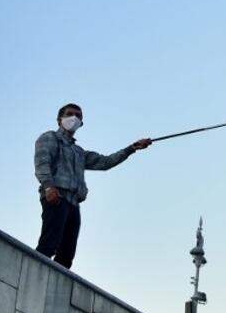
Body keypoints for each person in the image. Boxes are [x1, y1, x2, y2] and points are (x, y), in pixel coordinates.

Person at [34, 103, 152, 269]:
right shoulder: (50, 138)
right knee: (49, 244)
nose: (73, 118)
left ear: (81, 122)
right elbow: (42, 163)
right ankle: (35, 275)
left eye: (78, 115)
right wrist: (48, 187)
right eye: (69, 114)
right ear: (59, 119)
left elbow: (105, 162)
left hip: (74, 203)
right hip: (57, 196)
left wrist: (132, 148)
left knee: (67, 254)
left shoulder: (79, 152)